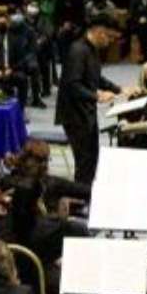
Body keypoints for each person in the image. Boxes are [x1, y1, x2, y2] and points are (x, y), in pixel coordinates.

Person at [57, 15, 120, 183]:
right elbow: (73, 85)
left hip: (86, 113)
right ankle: (80, 198)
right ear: (100, 33)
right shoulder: (78, 50)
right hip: (74, 115)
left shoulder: (91, 49)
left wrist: (118, 89)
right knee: (84, 163)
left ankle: (85, 194)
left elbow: (96, 77)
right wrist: (97, 96)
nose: (111, 42)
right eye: (111, 37)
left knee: (92, 159)